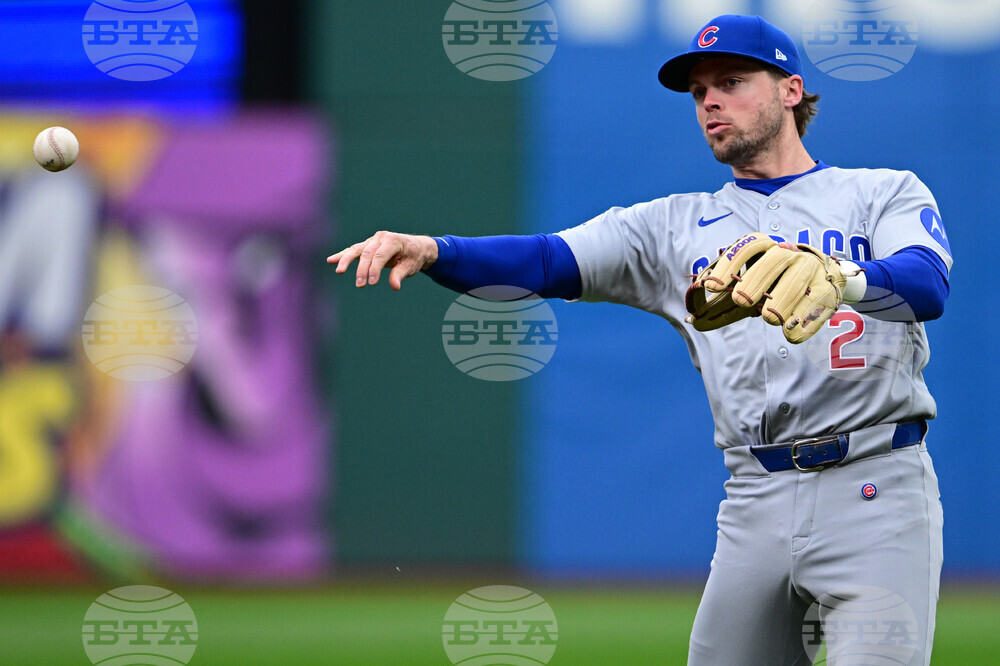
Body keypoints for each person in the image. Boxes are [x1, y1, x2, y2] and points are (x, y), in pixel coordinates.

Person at [328, 14, 951, 665]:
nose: (710, 100)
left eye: (732, 80)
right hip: (754, 499)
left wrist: (842, 277)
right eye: (699, 90)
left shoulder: (880, 193)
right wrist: (434, 249)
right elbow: (543, 261)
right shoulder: (673, 229)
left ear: (791, 89)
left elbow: (926, 285)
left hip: (876, 486)